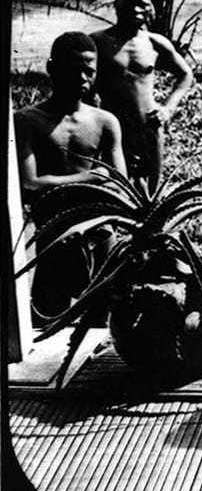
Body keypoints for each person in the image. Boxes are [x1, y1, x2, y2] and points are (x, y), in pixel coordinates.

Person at [14, 32, 127, 324]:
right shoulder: (28, 121)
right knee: (46, 321)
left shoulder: (105, 122)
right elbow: (28, 185)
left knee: (103, 325)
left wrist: (80, 184)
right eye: (72, 68)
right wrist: (89, 178)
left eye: (89, 70)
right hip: (54, 238)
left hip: (99, 236)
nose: (81, 77)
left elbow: (120, 185)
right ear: (52, 68)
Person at [90, 0, 194, 194]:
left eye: (143, 4)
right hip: (113, 129)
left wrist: (167, 109)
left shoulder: (154, 43)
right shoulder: (98, 42)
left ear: (150, 7)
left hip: (149, 128)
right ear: (117, 3)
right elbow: (84, 87)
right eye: (130, 2)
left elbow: (185, 75)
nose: (136, 10)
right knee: (116, 188)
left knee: (150, 194)